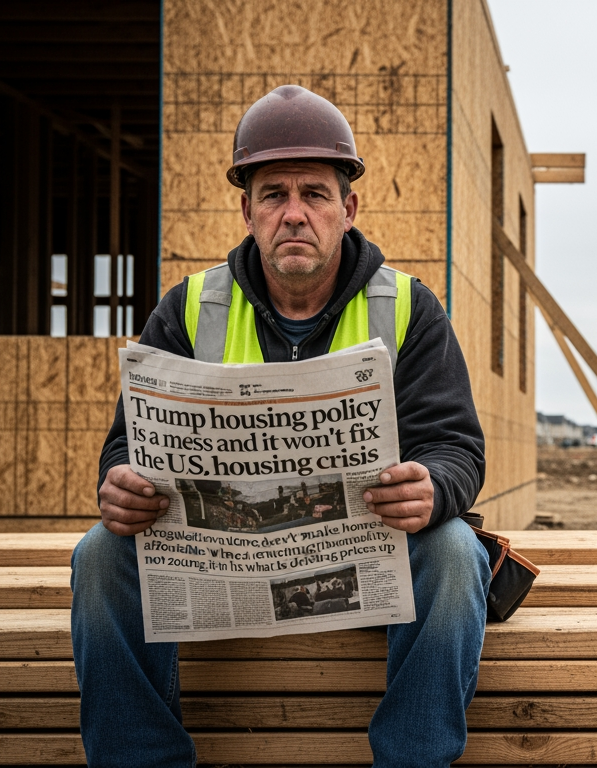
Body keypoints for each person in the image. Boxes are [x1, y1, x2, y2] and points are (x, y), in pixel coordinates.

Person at [70, 84, 490, 767]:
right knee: (97, 556)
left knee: (453, 555)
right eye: (273, 195)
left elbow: (456, 447)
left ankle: (413, 758)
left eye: (315, 194)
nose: (294, 214)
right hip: (219, 559)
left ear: (348, 209)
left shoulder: (411, 307)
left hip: (361, 554)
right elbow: (127, 442)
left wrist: (433, 486)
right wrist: (119, 483)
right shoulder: (190, 306)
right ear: (248, 210)